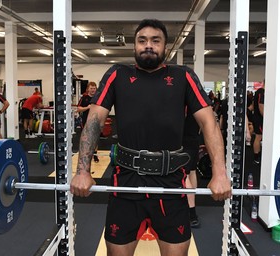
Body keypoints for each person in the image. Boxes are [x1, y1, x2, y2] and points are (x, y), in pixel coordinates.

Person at [70, 19, 231, 256]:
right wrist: (83, 172)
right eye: (142, 40)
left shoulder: (183, 76)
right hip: (125, 182)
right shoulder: (117, 74)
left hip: (171, 184)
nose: (148, 45)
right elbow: (94, 121)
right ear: (134, 46)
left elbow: (209, 123)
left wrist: (219, 173)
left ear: (165, 47)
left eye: (156, 41)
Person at [183, 109, 201, 228]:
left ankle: (191, 213)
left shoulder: (184, 99)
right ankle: (191, 208)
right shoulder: (196, 100)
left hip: (185, 140)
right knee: (192, 172)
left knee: (185, 175)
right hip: (194, 138)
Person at [77, 81, 99, 162]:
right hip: (85, 120)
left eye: (94, 88)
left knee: (95, 138)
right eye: (91, 88)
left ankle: (95, 155)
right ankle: (85, 155)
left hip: (95, 120)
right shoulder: (84, 98)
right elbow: (78, 109)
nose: (93, 90)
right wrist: (88, 107)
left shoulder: (98, 97)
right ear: (88, 89)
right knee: (85, 138)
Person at [252, 81, 265, 164]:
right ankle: (256, 158)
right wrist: (266, 118)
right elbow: (261, 106)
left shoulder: (258, 92)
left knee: (259, 137)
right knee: (258, 137)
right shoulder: (262, 92)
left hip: (257, 118)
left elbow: (253, 105)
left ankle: (258, 156)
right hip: (260, 119)